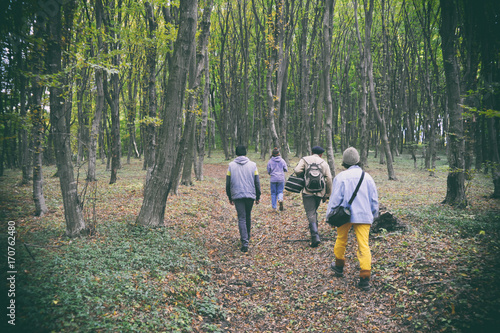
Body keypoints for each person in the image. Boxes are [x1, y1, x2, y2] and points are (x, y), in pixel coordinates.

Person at [326, 147, 379, 291]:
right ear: (358, 160)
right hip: (363, 215)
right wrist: (373, 215)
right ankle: (364, 278)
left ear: (344, 162)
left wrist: (329, 216)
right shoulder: (367, 177)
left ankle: (338, 266)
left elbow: (335, 199)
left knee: (341, 239)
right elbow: (374, 200)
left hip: (344, 215)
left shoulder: (341, 177)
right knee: (363, 245)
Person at [293, 145, 333, 248]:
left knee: (310, 212)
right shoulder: (324, 163)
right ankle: (315, 231)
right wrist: (328, 194)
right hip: (319, 192)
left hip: (307, 191)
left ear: (312, 152)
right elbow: (329, 178)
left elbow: (297, 170)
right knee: (314, 210)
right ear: (321, 154)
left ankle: (315, 236)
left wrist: (304, 175)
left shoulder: (305, 159)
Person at [226, 145, 261, 253]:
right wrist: (258, 196)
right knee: (248, 216)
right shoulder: (253, 165)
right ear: (246, 152)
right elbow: (257, 182)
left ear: (236, 153)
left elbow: (228, 183)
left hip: (237, 195)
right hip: (250, 194)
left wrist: (230, 196)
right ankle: (247, 237)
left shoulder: (231, 166)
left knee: (241, 217)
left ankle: (244, 241)